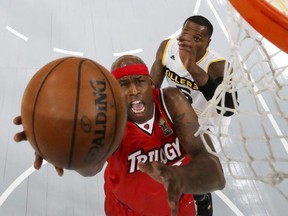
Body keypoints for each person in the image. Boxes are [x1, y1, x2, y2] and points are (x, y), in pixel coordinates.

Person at [14, 55, 225, 216]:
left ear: (151, 84)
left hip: (176, 204)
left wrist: (180, 178)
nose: (133, 91)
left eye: (139, 82)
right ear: (113, 91)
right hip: (125, 210)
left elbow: (216, 174)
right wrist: (57, 144)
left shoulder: (171, 101)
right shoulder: (109, 118)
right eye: (123, 84)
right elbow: (91, 170)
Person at [150, 15, 238, 215]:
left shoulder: (218, 66)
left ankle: (204, 202)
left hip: (209, 120)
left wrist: (192, 67)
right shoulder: (167, 48)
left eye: (197, 38)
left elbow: (228, 108)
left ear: (208, 42)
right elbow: (152, 88)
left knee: (197, 173)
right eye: (185, 34)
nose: (188, 41)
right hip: (180, 112)